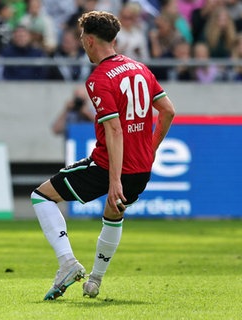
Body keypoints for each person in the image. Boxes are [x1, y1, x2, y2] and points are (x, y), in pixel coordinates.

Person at [30, 10, 175, 301]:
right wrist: (152, 148)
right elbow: (168, 111)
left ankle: (68, 263)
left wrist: (114, 180)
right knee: (113, 216)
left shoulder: (99, 79)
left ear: (92, 39)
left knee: (41, 196)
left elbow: (115, 130)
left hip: (108, 167)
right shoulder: (141, 69)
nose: (82, 42)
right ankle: (94, 280)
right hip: (141, 169)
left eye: (82, 37)